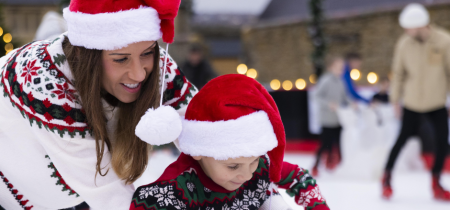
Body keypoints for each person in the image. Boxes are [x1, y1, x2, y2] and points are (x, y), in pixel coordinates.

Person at [0, 0, 199, 209]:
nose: (139, 73)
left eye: (147, 53)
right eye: (121, 59)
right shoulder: (42, 83)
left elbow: (203, 126)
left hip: (74, 196)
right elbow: (109, 194)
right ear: (85, 54)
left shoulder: (157, 67)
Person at [131, 74, 329, 210]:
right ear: (199, 150)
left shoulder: (259, 168)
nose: (246, 174)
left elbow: (299, 177)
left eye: (254, 161)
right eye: (233, 166)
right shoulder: (175, 190)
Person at [382, 3, 450, 201]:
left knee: (441, 142)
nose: (406, 30)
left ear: (421, 25)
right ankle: (386, 178)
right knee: (401, 139)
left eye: (408, 27)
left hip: (436, 101)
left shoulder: (444, 41)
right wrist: (395, 100)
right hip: (411, 102)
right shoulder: (404, 44)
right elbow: (399, 74)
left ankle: (436, 182)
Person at [312, 56, 351, 176]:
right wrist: (329, 104)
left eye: (342, 67)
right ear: (331, 67)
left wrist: (352, 104)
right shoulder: (325, 80)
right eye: (338, 66)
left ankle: (333, 164)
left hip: (338, 119)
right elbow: (316, 96)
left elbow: (345, 98)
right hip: (327, 120)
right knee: (325, 143)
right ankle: (316, 166)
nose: (340, 69)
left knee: (339, 143)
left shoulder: (341, 81)